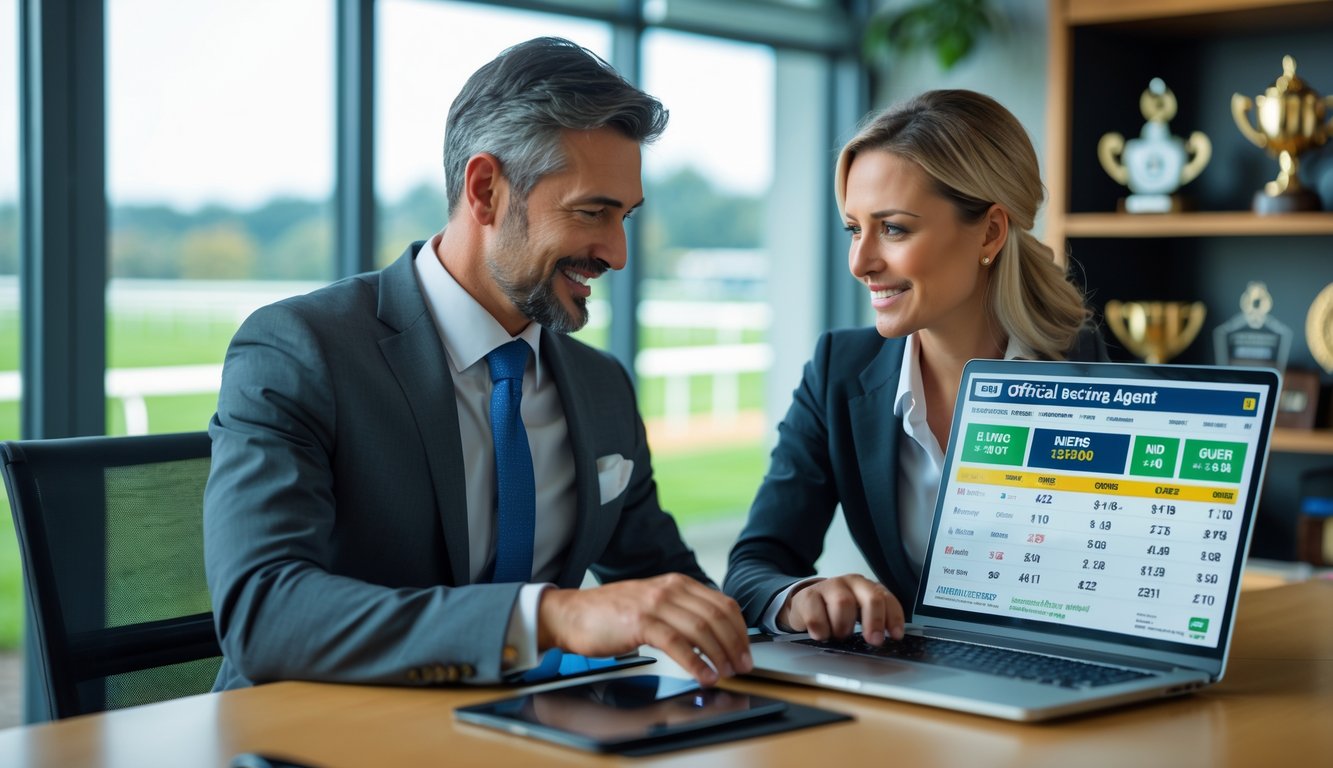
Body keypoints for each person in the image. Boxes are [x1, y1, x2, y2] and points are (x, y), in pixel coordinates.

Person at [204, 37, 751, 691]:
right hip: (321, 741)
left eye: (625, 216)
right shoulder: (302, 351)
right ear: (486, 190)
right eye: (591, 213)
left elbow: (665, 587)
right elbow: (264, 614)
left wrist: (794, 607)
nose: (616, 252)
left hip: (529, 735)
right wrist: (547, 616)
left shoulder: (600, 385)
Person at [723, 89, 1106, 646]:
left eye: (894, 228)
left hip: (1066, 689)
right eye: (855, 229)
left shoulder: (1088, 368)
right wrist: (800, 597)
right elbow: (755, 566)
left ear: (991, 232)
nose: (861, 262)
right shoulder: (838, 371)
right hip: (918, 695)